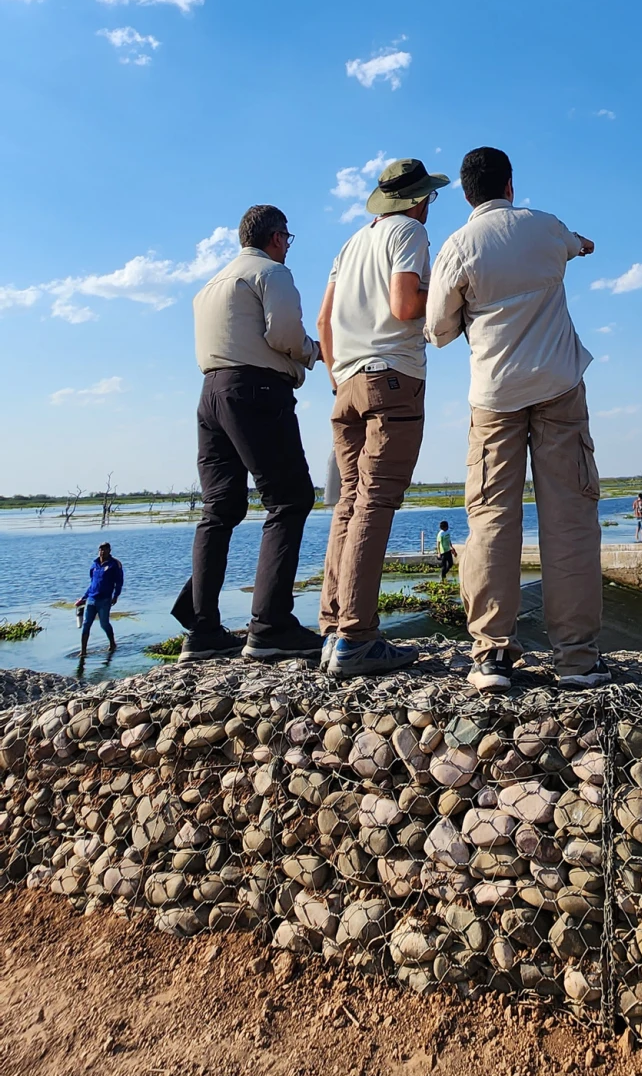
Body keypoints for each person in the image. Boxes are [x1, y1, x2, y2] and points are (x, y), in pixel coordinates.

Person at [426, 145, 608, 692]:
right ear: (511, 184)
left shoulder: (458, 246)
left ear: (465, 194)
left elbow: (437, 329)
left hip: (494, 396)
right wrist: (577, 247)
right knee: (570, 520)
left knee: (491, 520)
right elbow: (581, 245)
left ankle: (491, 654)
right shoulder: (546, 227)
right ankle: (576, 657)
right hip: (559, 386)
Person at [315, 159, 448, 675]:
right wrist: (442, 287)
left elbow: (324, 320)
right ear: (420, 200)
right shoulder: (409, 231)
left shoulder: (349, 245)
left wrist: (336, 378)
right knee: (376, 502)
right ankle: (356, 637)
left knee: (349, 501)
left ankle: (332, 627)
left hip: (345, 383)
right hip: (391, 379)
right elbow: (404, 305)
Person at [173, 205, 322, 663]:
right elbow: (283, 335)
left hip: (210, 393)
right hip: (256, 391)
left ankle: (202, 630)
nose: (287, 247)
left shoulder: (210, 286)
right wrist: (314, 352)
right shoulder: (272, 274)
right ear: (277, 237)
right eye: (287, 238)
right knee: (290, 499)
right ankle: (271, 625)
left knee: (219, 508)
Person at [77, 541, 122, 657]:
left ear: (109, 551)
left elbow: (119, 582)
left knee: (104, 624)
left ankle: (112, 643)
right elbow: (92, 583)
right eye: (101, 549)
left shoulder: (114, 564)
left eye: (105, 549)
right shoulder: (94, 564)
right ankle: (83, 651)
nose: (102, 552)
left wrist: (116, 596)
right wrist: (84, 597)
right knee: (86, 624)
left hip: (105, 600)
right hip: (91, 599)